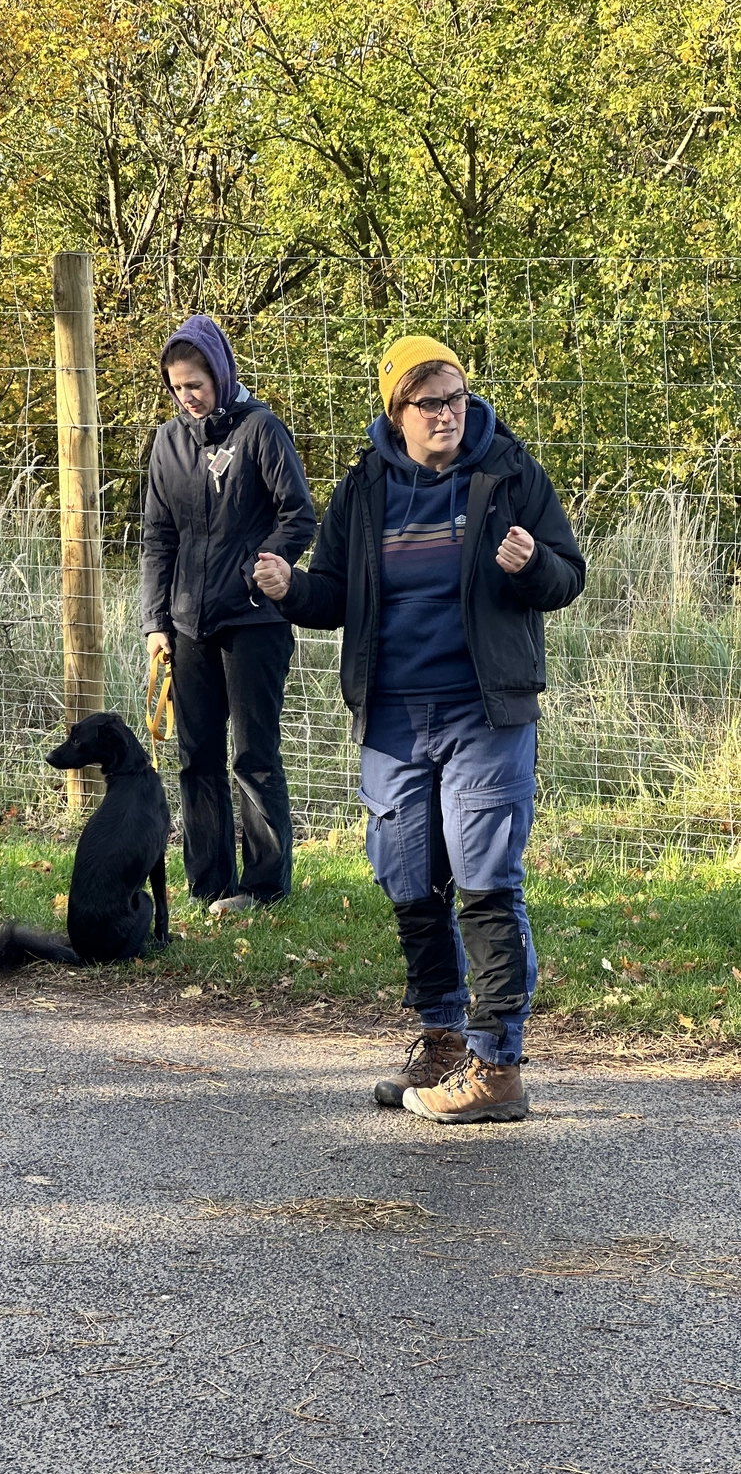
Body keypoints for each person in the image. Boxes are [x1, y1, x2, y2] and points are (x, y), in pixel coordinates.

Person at [253, 335, 586, 1123]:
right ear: (395, 411)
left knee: (483, 882)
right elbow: (333, 594)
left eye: (457, 397)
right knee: (407, 882)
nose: (447, 413)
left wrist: (530, 563)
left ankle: (497, 1066)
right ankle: (441, 1039)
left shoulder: (508, 474)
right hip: (393, 717)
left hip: (483, 711)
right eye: (429, 401)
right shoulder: (365, 486)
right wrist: (288, 589)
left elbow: (567, 577)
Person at [141, 314, 316, 913]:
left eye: (197, 383)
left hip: (254, 622)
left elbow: (300, 514)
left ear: (220, 372)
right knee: (197, 756)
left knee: (253, 754)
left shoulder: (261, 430)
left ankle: (264, 887)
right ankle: (208, 884)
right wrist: (155, 623)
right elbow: (157, 539)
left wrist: (263, 566)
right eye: (177, 387)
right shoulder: (168, 443)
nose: (188, 397)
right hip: (187, 624)